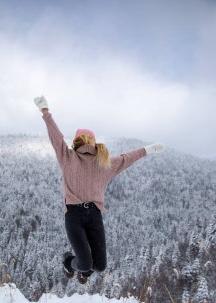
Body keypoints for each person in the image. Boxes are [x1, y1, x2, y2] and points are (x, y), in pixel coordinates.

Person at [34, 95, 166, 284]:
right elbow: (56, 138)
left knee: (100, 266)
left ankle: (82, 269)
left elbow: (126, 158)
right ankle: (68, 262)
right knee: (86, 263)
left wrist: (148, 150)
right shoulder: (68, 158)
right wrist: (45, 112)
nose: (86, 142)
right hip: (74, 216)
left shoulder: (103, 164)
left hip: (94, 215)